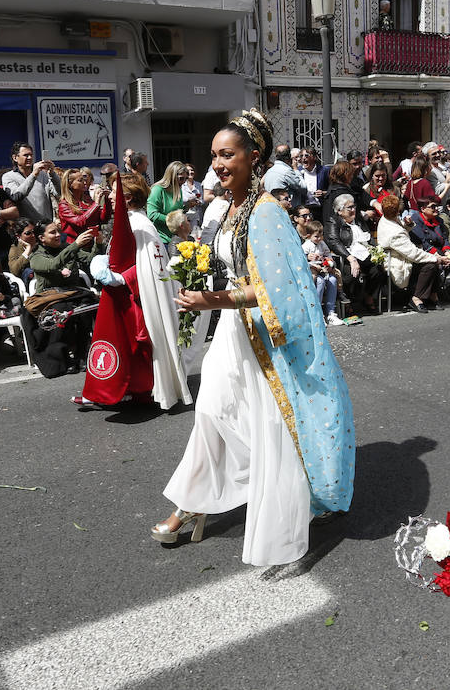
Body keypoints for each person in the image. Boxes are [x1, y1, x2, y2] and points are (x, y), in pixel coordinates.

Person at [151, 109, 354, 565]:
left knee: (265, 425)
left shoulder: (265, 213)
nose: (218, 164)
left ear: (253, 156)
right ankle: (192, 503)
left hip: (261, 338)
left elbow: (273, 294)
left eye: (228, 155)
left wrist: (212, 299)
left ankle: (256, 503)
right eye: (213, 156)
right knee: (211, 412)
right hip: (233, 332)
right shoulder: (230, 208)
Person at [75, 174, 191, 410]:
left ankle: (135, 390)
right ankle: (124, 390)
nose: (111, 199)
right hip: (125, 294)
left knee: (134, 345)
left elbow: (145, 267)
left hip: (132, 295)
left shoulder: (139, 225)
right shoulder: (132, 221)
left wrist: (119, 277)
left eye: (115, 195)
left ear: (127, 198)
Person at [23, 220, 99, 377]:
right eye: (52, 232)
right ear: (41, 238)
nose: (58, 235)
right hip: (51, 298)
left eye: (58, 231)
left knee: (86, 308)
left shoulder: (67, 248)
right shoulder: (36, 256)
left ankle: (82, 355)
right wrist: (75, 245)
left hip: (74, 293)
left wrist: (98, 243)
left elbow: (90, 259)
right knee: (62, 312)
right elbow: (53, 264)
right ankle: (62, 358)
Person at [376, 194, 450, 313]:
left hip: (403, 256)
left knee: (432, 261)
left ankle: (432, 295)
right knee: (430, 264)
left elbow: (402, 232)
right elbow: (413, 254)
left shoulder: (388, 218)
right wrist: (436, 258)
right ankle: (416, 298)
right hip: (398, 263)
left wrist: (408, 225)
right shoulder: (393, 231)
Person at [325, 192, 383, 314]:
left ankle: (368, 297)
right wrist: (351, 258)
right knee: (351, 274)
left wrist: (375, 250)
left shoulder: (359, 220)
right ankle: (348, 301)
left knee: (377, 270)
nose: (353, 210)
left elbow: (369, 237)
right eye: (349, 208)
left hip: (365, 255)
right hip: (347, 256)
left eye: (354, 206)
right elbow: (334, 241)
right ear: (340, 211)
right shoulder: (333, 221)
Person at [411, 198, 450, 304]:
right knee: (438, 264)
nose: (436, 209)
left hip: (440, 250)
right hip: (425, 251)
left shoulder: (438, 220)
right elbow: (423, 241)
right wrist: (437, 255)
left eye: (436, 206)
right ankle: (433, 294)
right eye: (433, 207)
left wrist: (448, 251)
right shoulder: (416, 220)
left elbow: (445, 238)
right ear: (423, 209)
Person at [2, 142, 59, 223]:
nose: (29, 158)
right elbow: (16, 196)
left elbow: (58, 194)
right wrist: (33, 175)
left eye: (31, 155)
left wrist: (52, 174)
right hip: (26, 229)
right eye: (26, 155)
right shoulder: (8, 177)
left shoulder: (42, 174)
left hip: (45, 227)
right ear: (15, 158)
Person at [302, 220, 344, 326]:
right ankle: (318, 313)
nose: (319, 238)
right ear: (308, 236)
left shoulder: (322, 244)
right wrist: (308, 258)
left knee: (333, 279)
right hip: (312, 270)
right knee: (319, 282)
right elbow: (301, 259)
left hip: (323, 269)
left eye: (321, 235)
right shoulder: (306, 245)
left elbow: (328, 254)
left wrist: (329, 262)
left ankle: (330, 312)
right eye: (316, 236)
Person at [147, 161, 196, 244]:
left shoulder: (178, 189)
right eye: (181, 178)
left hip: (176, 238)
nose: (184, 181)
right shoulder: (157, 190)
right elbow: (152, 215)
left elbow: (176, 214)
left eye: (186, 178)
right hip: (162, 239)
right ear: (172, 176)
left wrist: (186, 207)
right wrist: (173, 221)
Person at [57, 168, 112, 241]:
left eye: (84, 179)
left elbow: (103, 219)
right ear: (70, 184)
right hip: (75, 245)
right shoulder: (64, 205)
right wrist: (96, 204)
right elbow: (79, 222)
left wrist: (107, 200)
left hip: (92, 243)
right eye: (80, 180)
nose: (85, 182)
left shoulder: (87, 200)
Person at [264, 145, 308, 211]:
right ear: (288, 157)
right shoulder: (287, 171)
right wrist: (296, 170)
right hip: (286, 210)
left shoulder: (270, 171)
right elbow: (303, 188)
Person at [8, 218, 36, 286]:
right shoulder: (15, 249)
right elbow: (14, 270)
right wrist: (28, 250)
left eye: (34, 231)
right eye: (28, 233)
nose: (33, 235)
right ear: (18, 236)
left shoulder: (42, 242)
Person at [181, 163, 205, 231]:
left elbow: (203, 200)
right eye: (188, 170)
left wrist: (198, 202)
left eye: (192, 170)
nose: (190, 172)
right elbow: (179, 200)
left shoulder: (199, 185)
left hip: (197, 216)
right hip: (185, 216)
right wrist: (189, 201)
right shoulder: (181, 185)